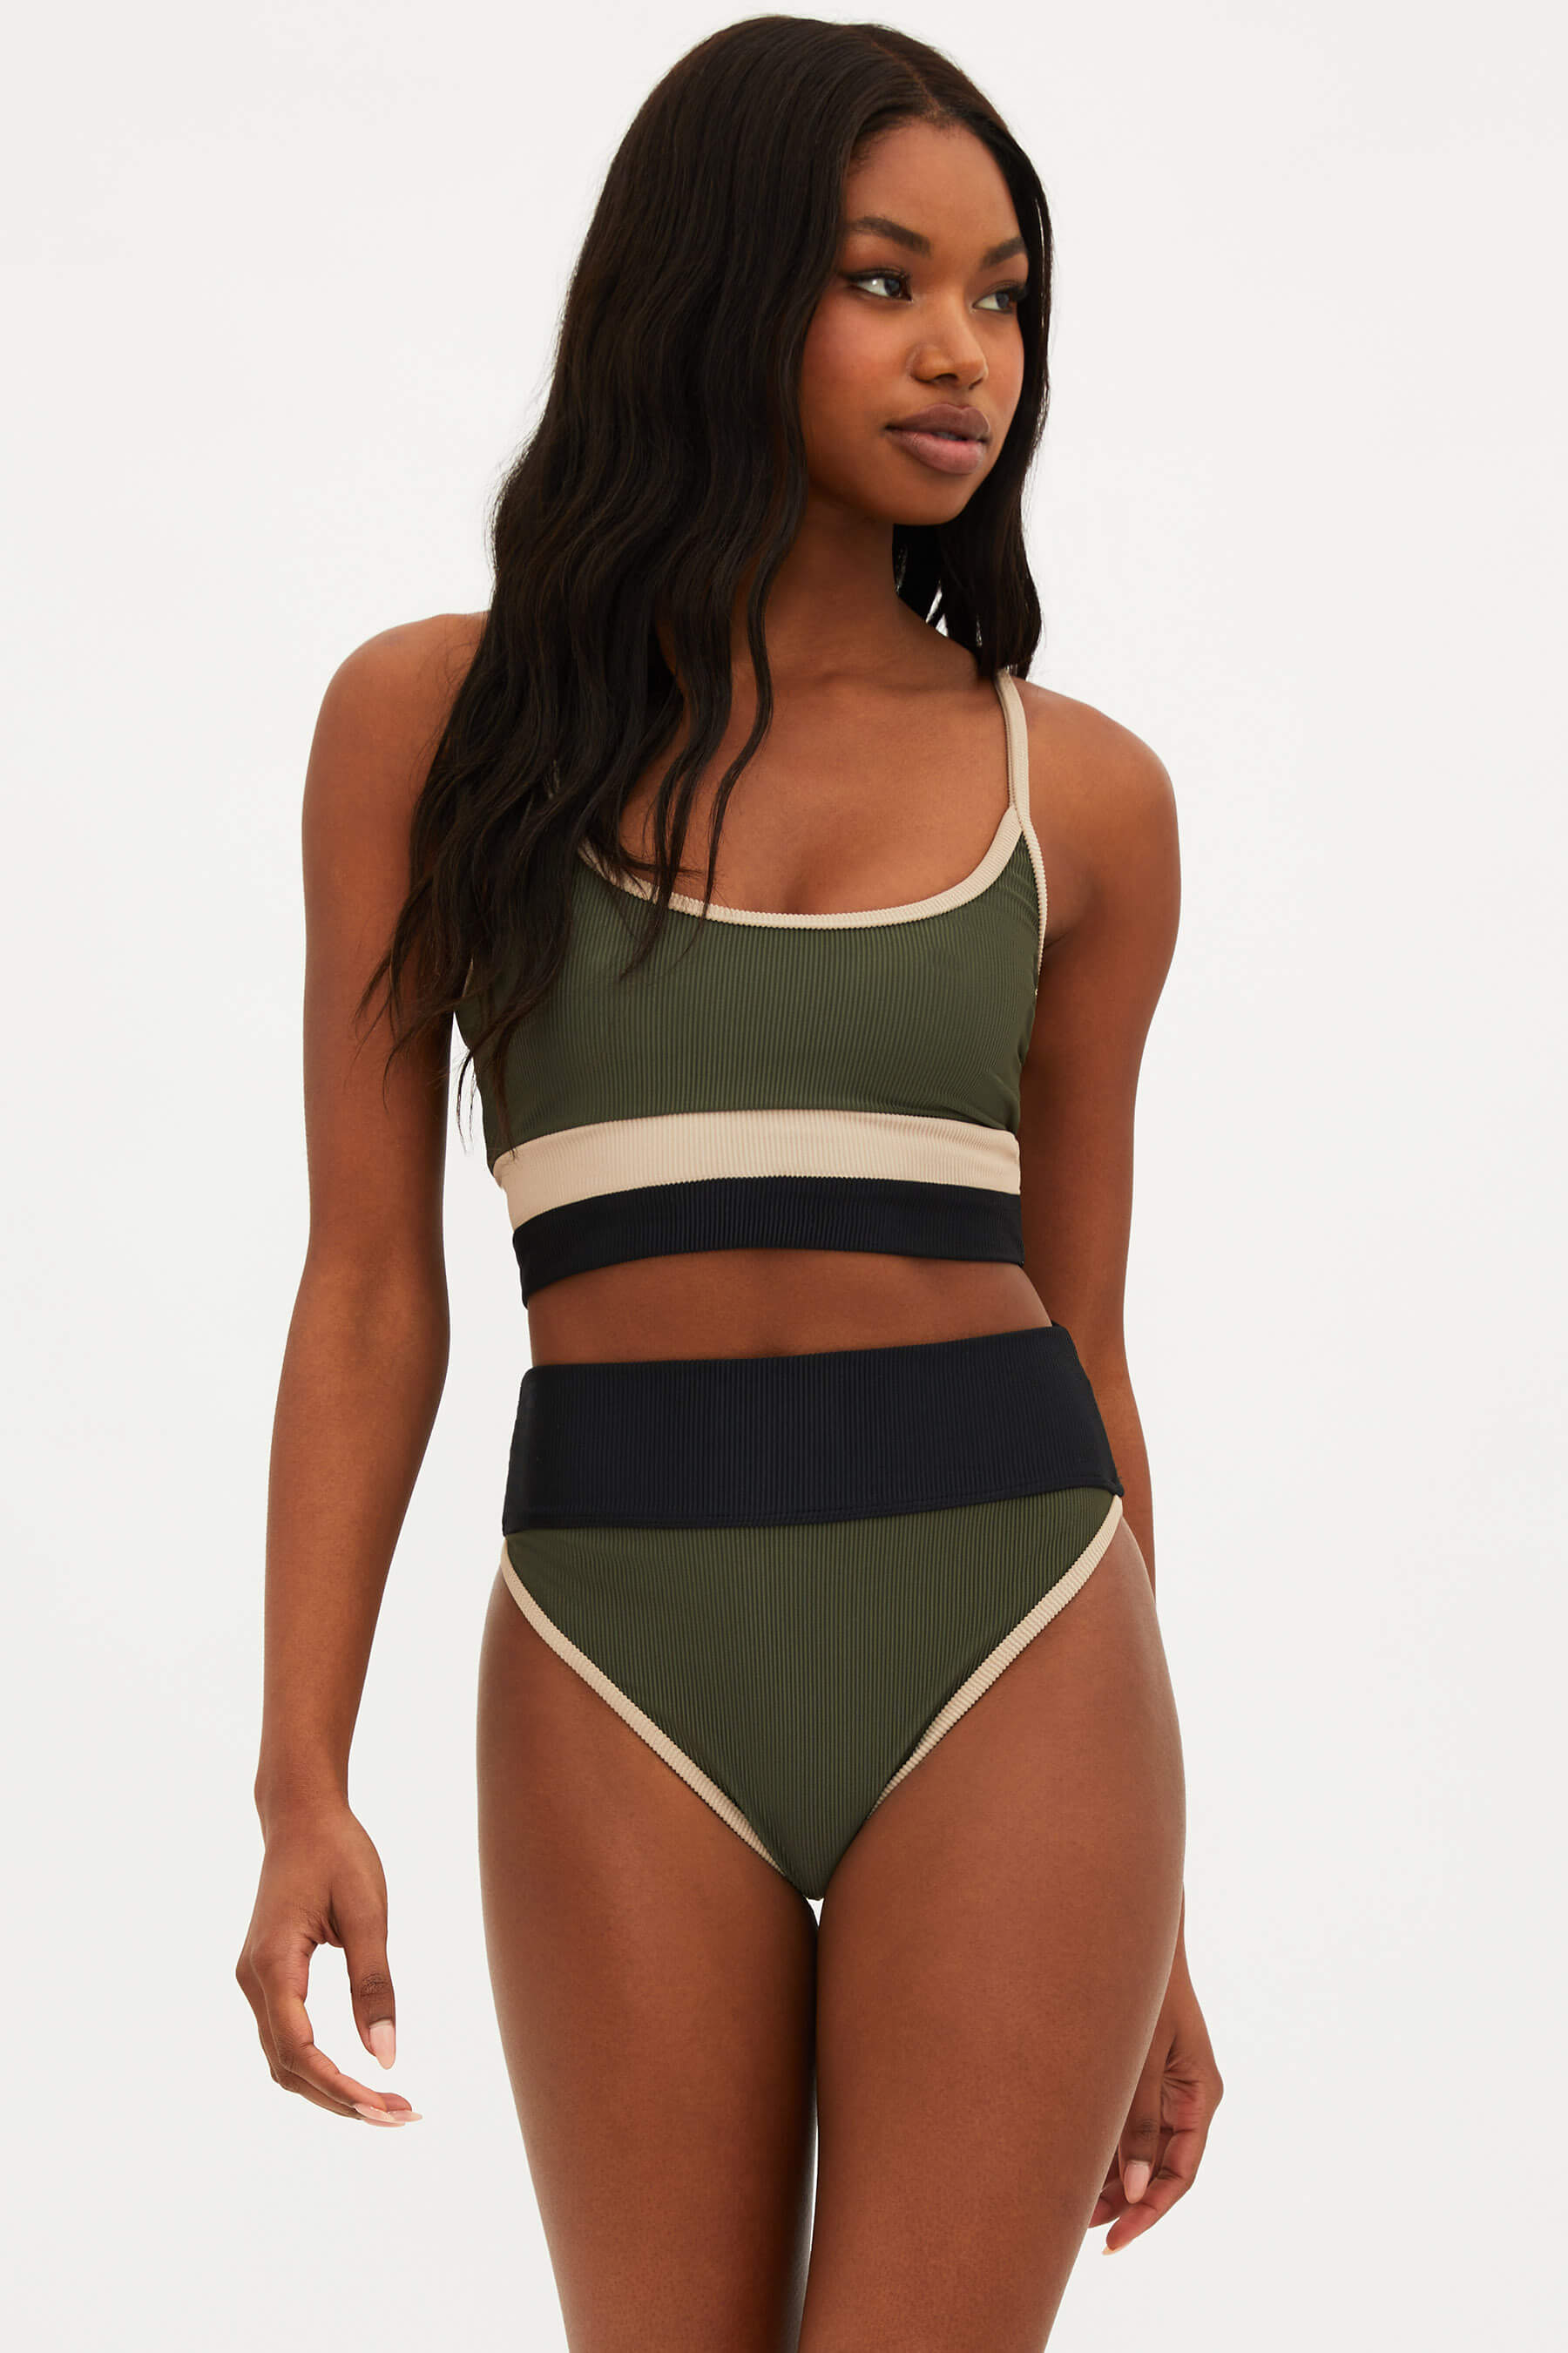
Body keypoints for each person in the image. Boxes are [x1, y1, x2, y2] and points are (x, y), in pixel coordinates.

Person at [236, 16, 1223, 2345]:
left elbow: (1087, 1338)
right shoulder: (432, 726)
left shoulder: (1080, 800)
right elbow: (371, 1285)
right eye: (887, 279)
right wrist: (301, 1779)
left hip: (1015, 1631)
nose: (964, 351)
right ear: (713, 281)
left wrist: (1153, 1927)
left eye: (1003, 297)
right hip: (614, 1636)